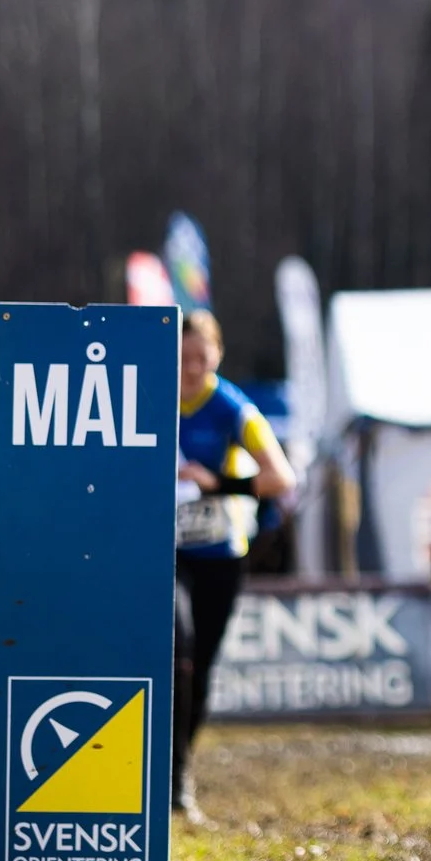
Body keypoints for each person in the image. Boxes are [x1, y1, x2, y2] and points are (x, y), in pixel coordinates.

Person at [172, 309, 298, 822]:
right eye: (183, 359)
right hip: (169, 552)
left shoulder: (232, 408)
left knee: (200, 667)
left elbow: (281, 479)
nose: (192, 369)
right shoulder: (152, 399)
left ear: (217, 356)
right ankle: (165, 772)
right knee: (175, 653)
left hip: (221, 553)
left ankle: (179, 774)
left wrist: (215, 484)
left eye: (202, 358)